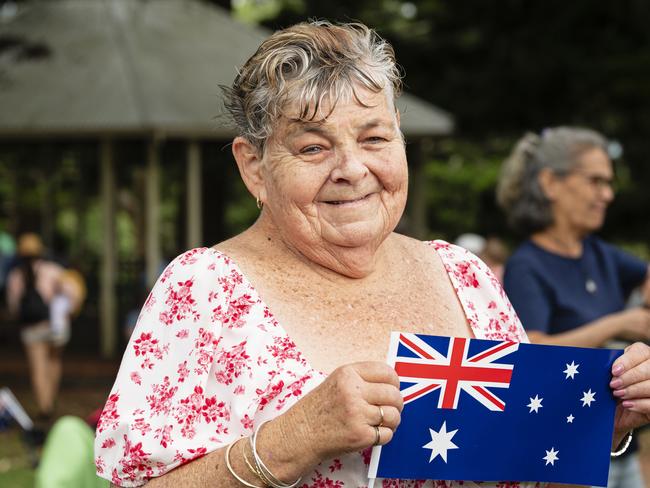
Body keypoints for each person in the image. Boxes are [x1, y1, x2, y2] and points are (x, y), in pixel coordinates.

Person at [94, 24, 650, 487]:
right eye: (313, 147)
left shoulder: (464, 275)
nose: (352, 169)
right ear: (254, 167)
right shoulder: (204, 290)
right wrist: (292, 439)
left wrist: (602, 418)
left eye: (375, 138)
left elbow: (523, 452)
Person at [497, 127, 650, 488]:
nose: (608, 195)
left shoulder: (598, 252)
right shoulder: (526, 265)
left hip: (620, 445)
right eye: (596, 181)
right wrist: (617, 324)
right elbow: (530, 350)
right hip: (563, 455)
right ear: (551, 183)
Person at [5, 233, 66, 421]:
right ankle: (50, 397)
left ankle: (44, 405)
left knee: (38, 367)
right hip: (54, 326)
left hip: (31, 328)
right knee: (54, 361)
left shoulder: (15, 276)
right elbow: (70, 294)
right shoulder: (54, 270)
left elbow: (14, 307)